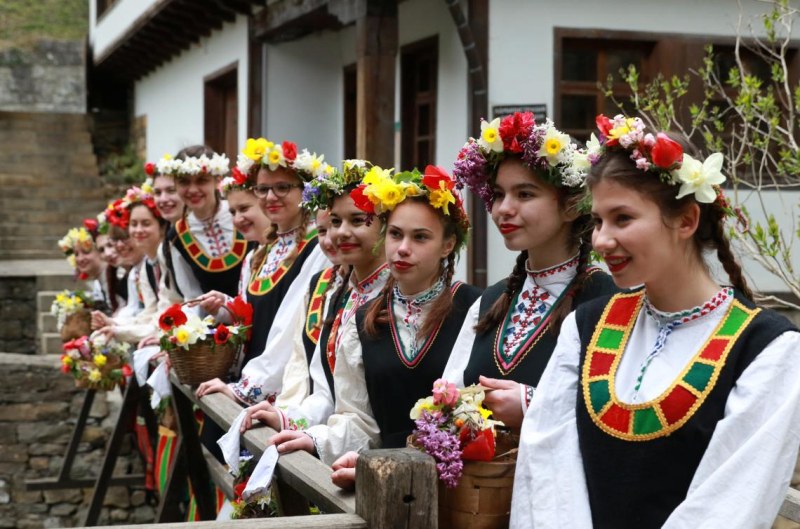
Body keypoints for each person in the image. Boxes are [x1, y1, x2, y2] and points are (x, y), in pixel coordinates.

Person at [510, 114, 800, 528]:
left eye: (622, 218)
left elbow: (732, 503)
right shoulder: (587, 327)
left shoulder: (767, 350)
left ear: (685, 220)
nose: (601, 240)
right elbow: (548, 474)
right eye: (597, 220)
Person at [263, 165, 481, 477]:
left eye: (420, 237)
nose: (403, 248)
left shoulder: (474, 307)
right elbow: (358, 420)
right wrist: (314, 438)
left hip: (464, 483)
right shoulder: (364, 321)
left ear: (448, 245)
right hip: (388, 482)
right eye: (395, 234)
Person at [444, 112, 616, 427]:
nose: (504, 209)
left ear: (571, 205)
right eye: (498, 195)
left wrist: (532, 404)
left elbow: (621, 413)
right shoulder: (488, 302)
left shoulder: (609, 302)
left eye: (524, 194)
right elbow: (446, 399)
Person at [240, 160, 389, 434]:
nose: (339, 233)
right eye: (332, 223)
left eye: (357, 220)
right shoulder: (335, 291)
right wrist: (288, 418)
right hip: (333, 442)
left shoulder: (398, 292)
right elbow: (323, 388)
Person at [193, 139, 331, 406]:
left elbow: (291, 330)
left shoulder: (318, 249)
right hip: (254, 374)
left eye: (282, 187)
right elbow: (253, 318)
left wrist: (246, 389)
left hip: (284, 388)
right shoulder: (260, 254)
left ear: (305, 190)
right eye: (262, 189)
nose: (270, 197)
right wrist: (224, 310)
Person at [159, 146, 248, 301]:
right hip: (215, 321)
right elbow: (192, 296)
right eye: (184, 182)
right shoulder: (177, 236)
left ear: (217, 180)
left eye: (202, 180)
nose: (193, 189)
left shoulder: (243, 213)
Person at [91, 183, 168, 343]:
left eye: (146, 224)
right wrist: (114, 324)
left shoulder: (167, 257)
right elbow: (148, 313)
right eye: (133, 225)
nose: (138, 230)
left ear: (161, 227)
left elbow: (165, 313)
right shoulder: (146, 267)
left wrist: (118, 329)